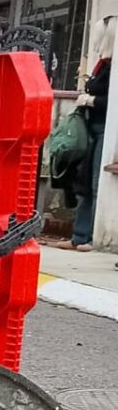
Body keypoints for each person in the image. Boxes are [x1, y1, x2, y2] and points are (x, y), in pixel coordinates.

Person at [70, 19, 114, 253]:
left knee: (97, 184)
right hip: (91, 127)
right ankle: (80, 235)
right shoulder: (101, 65)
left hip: (104, 129)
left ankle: (92, 237)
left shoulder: (112, 68)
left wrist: (91, 100)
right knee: (84, 183)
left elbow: (112, 101)